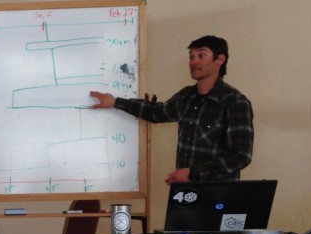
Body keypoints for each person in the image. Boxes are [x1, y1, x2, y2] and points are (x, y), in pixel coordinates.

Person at [89, 35, 254, 183]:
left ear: (220, 59)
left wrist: (193, 174)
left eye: (201, 55)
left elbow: (241, 156)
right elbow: (156, 113)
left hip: (217, 195)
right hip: (185, 192)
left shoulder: (235, 102)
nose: (194, 61)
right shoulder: (186, 96)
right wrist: (115, 101)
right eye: (191, 56)